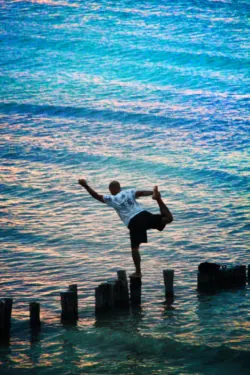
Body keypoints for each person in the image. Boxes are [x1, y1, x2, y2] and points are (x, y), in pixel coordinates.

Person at [78, 179, 173, 277]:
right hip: (143, 215)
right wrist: (152, 193)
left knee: (135, 248)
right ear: (120, 188)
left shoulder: (112, 199)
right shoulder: (129, 192)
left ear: (111, 190)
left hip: (134, 222)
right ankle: (158, 199)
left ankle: (138, 272)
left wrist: (85, 186)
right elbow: (141, 193)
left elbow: (96, 196)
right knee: (168, 218)